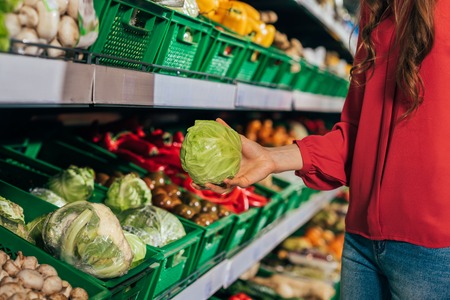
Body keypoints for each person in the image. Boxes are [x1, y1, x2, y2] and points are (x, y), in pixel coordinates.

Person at [203, 0, 450, 298]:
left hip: (435, 250)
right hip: (361, 243)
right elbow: (358, 133)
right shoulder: (377, 8)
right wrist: (271, 157)